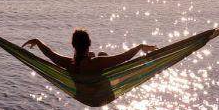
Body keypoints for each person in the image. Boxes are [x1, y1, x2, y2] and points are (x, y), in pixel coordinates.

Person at [22, 29, 156, 75]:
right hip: (101, 91)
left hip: (82, 91)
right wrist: (140, 46)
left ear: (73, 45)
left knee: (94, 56)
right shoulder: (98, 62)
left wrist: (37, 41)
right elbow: (125, 57)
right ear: (89, 44)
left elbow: (49, 53)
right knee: (102, 54)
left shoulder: (68, 64)